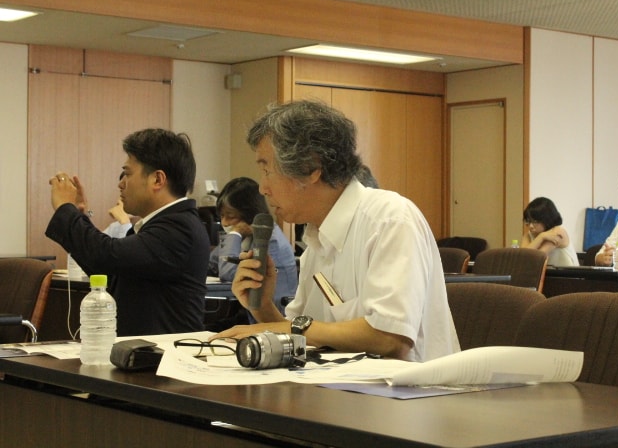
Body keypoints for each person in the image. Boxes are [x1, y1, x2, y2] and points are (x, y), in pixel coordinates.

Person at [210, 100, 459, 362]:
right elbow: (301, 336)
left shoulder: (389, 219)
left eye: (267, 170)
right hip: (338, 383)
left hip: (407, 385)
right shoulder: (316, 240)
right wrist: (262, 308)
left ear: (310, 168)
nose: (263, 188)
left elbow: (390, 338)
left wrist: (290, 328)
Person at [46, 128, 210, 336]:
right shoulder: (162, 224)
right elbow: (111, 272)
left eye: (128, 174)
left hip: (162, 354)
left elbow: (106, 255)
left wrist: (65, 209)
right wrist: (79, 217)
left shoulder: (179, 228)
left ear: (157, 180)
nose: (121, 183)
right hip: (141, 350)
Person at [207, 177, 297, 319]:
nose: (224, 222)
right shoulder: (247, 235)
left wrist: (235, 234)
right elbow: (212, 263)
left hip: (278, 319)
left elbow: (228, 273)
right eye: (222, 216)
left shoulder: (270, 241)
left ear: (249, 214)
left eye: (230, 216)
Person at [521, 197, 579, 266]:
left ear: (547, 219)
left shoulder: (558, 232)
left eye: (535, 221)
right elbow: (522, 257)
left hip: (568, 272)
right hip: (545, 272)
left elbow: (536, 259)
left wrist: (541, 237)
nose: (530, 226)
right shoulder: (528, 235)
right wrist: (541, 237)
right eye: (528, 221)